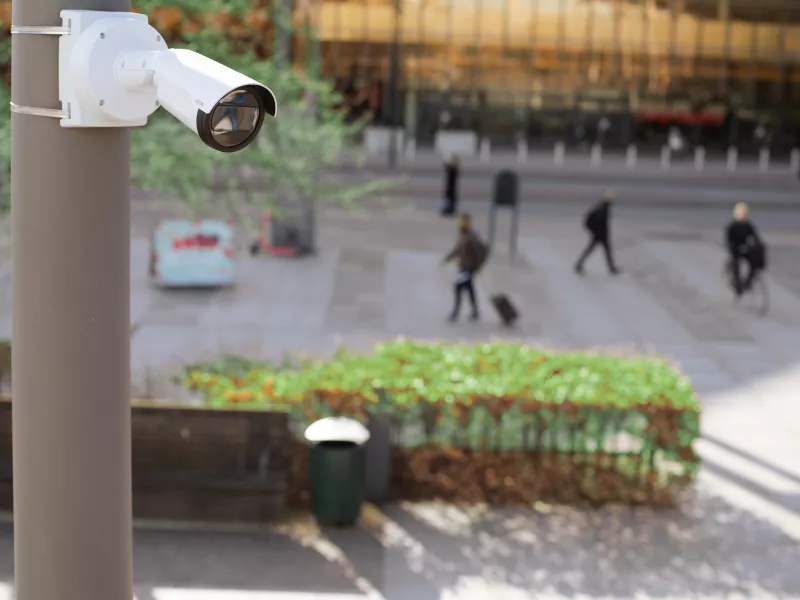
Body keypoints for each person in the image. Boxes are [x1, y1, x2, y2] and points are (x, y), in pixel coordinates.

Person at [441, 214, 488, 322]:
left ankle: (455, 313)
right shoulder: (462, 236)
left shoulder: (471, 237)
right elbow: (458, 250)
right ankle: (475, 311)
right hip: (463, 268)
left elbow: (481, 251)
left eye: (463, 223)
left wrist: (478, 266)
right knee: (469, 289)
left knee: (458, 287)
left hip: (469, 269)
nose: (461, 226)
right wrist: (448, 258)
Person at [575, 189, 620, 275]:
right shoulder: (603, 210)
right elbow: (601, 223)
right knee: (601, 251)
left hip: (600, 234)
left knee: (601, 251)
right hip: (600, 235)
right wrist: (599, 233)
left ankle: (611, 268)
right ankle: (579, 265)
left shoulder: (603, 207)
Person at [725, 202, 765, 296]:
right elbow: (729, 242)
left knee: (754, 262)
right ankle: (737, 286)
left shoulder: (748, 226)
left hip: (745, 249)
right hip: (735, 250)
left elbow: (755, 238)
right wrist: (734, 249)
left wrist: (756, 246)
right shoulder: (732, 227)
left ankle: (747, 283)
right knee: (736, 266)